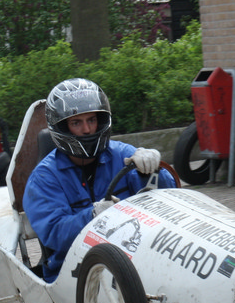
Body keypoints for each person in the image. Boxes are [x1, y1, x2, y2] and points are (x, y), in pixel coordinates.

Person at [22, 78, 176, 282]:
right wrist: (94, 217)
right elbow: (54, 234)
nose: (87, 130)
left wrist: (154, 170)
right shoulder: (43, 178)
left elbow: (168, 201)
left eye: (92, 120)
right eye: (76, 123)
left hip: (134, 258)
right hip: (73, 271)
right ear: (62, 127)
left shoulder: (123, 155)